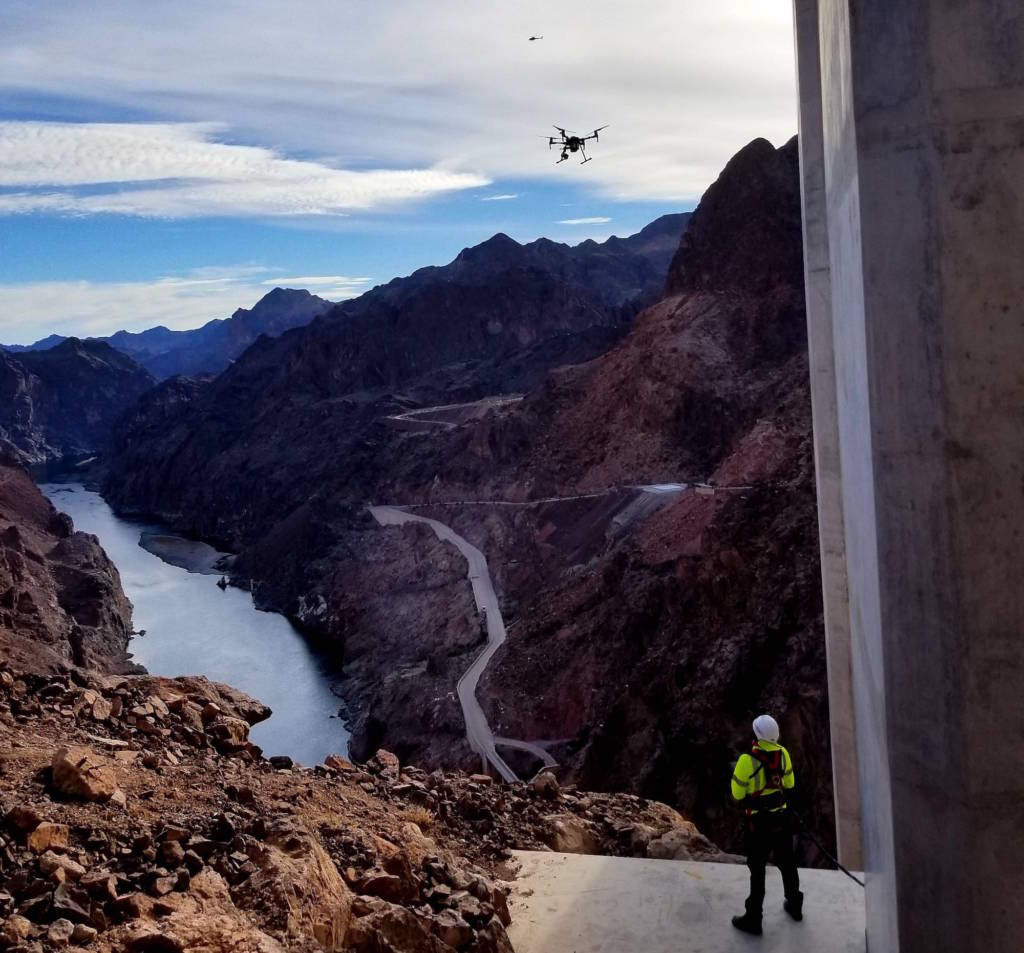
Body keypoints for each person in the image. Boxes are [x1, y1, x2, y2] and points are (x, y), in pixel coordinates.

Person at [729, 713, 803, 935]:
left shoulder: (745, 761)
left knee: (758, 870)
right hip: (781, 820)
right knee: (787, 863)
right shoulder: (783, 755)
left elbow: (736, 794)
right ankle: (795, 904)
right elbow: (789, 784)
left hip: (758, 825)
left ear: (757, 735)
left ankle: (754, 918)